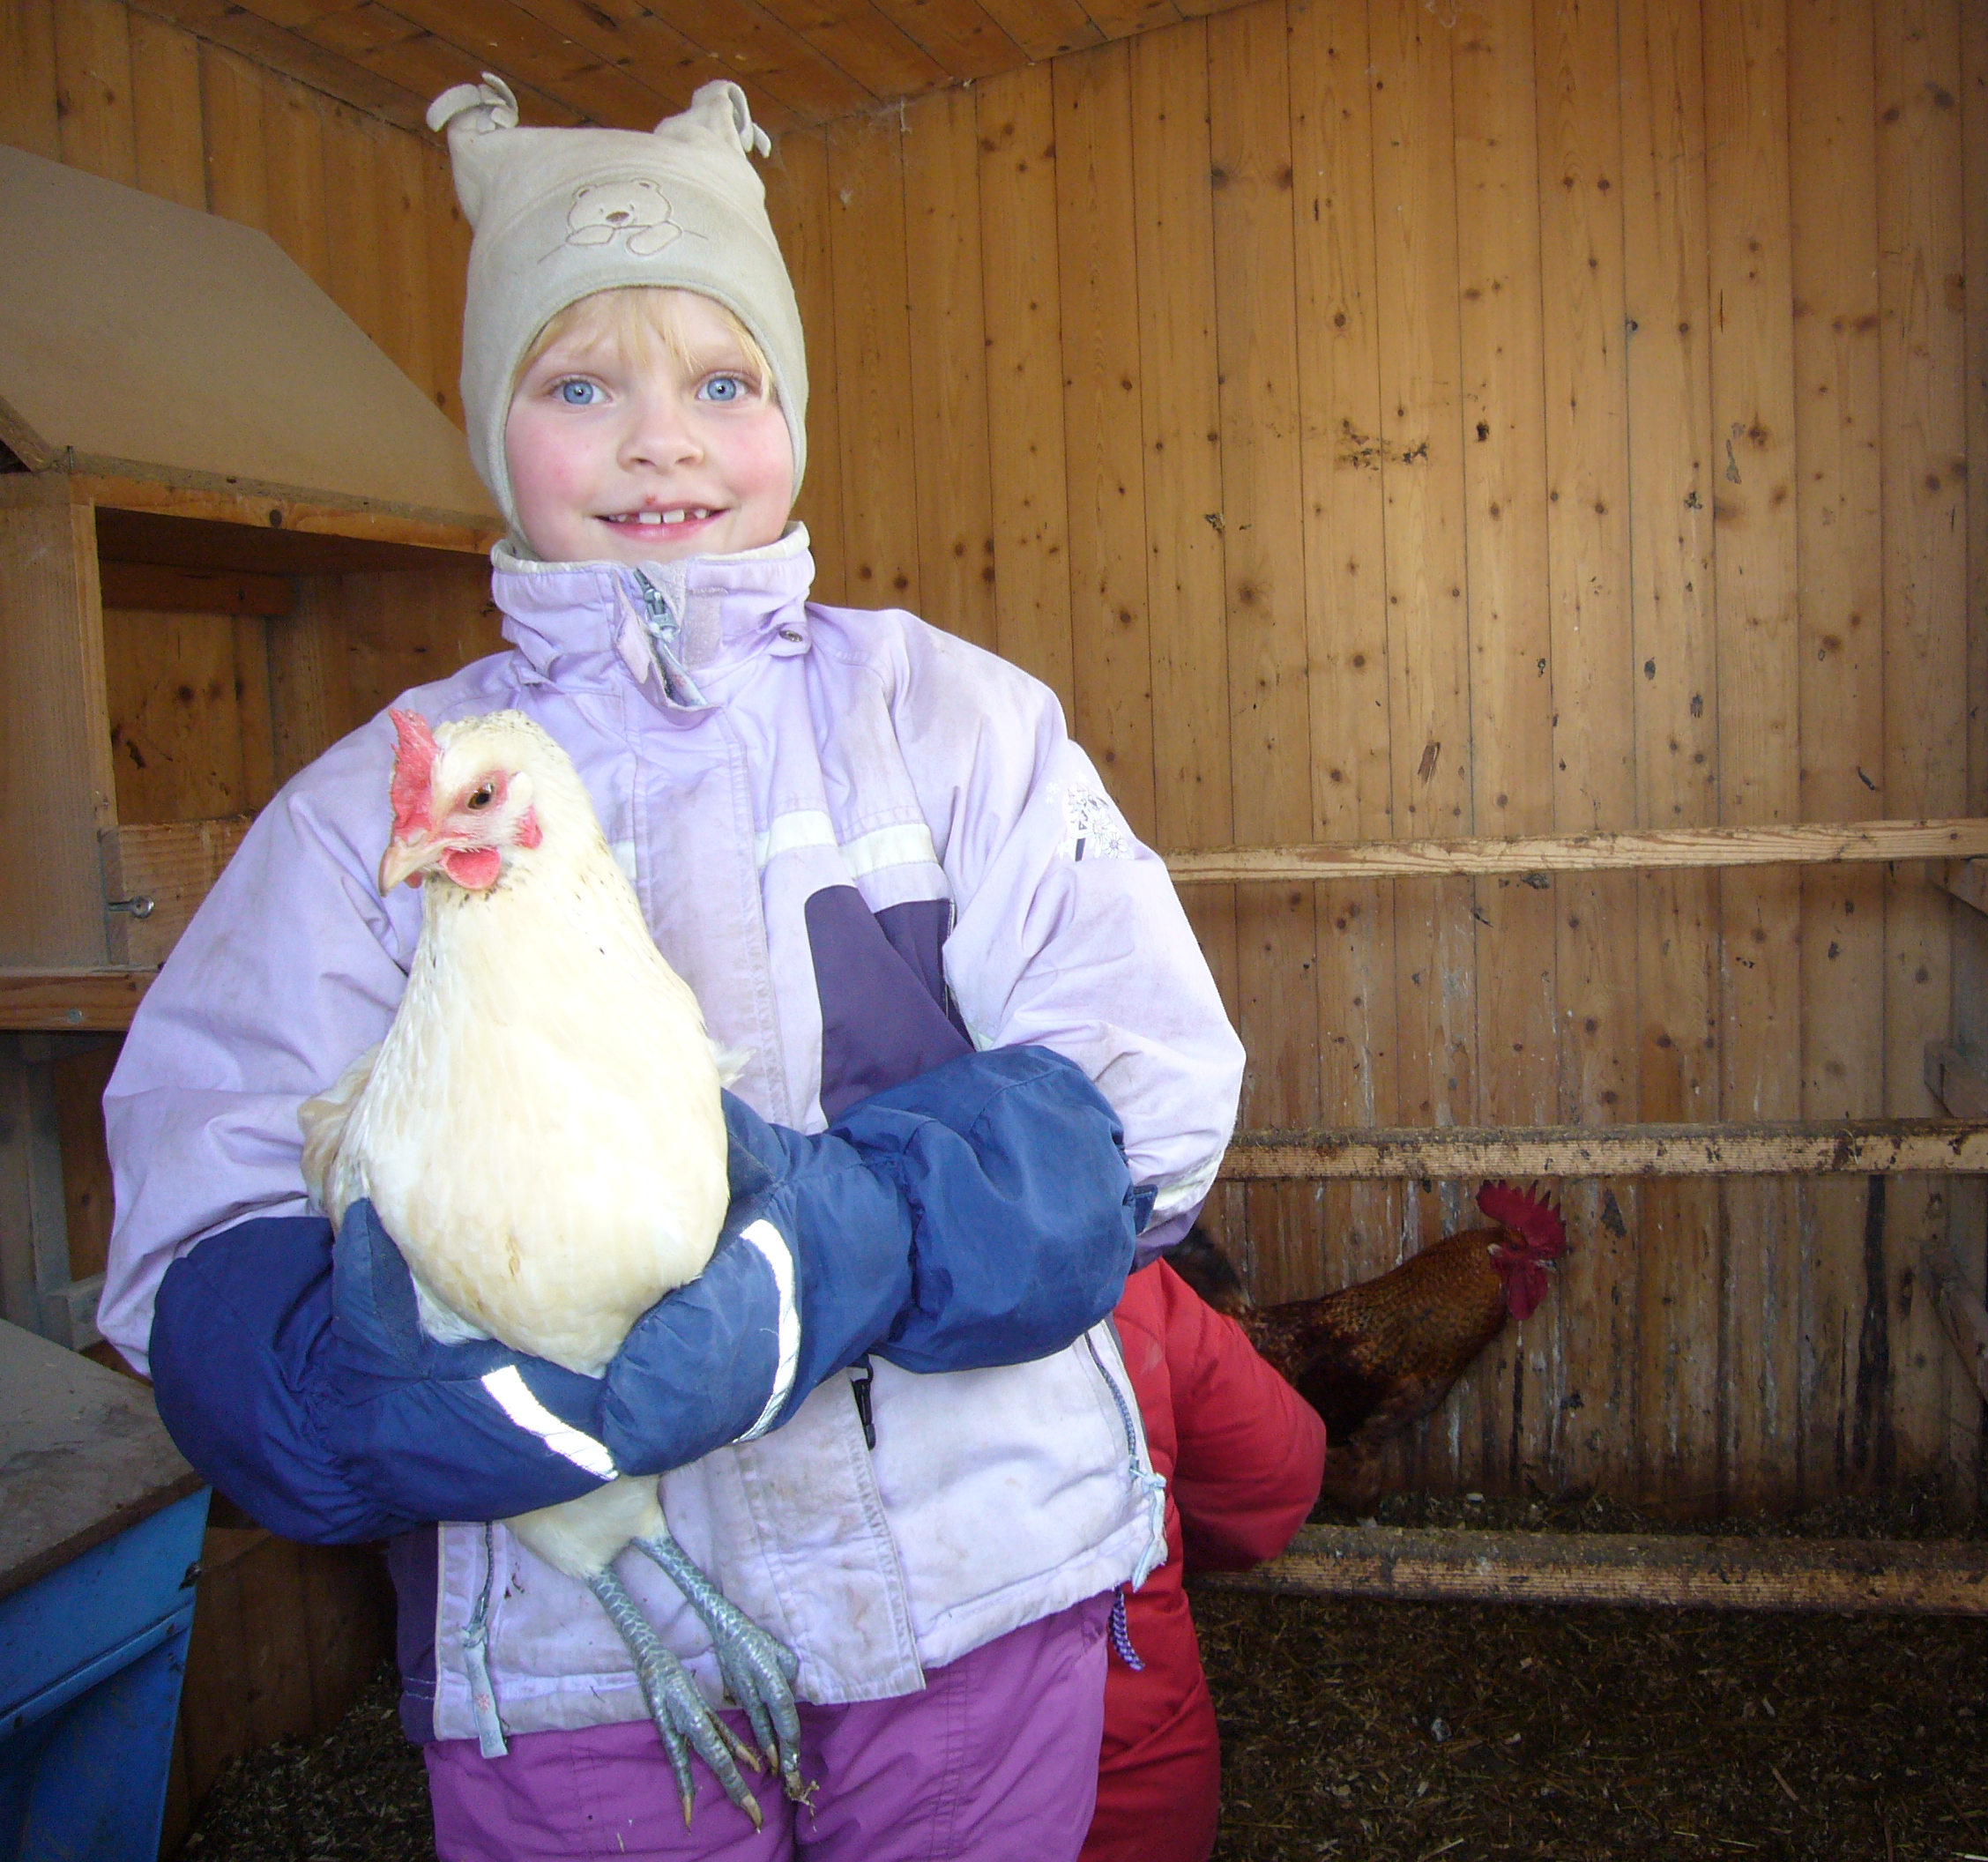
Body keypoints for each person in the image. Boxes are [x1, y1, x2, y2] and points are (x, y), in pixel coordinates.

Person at [97, 73, 1245, 1862]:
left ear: (790, 409)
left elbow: (1150, 1086)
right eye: (578, 388)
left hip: (970, 1594)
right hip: (567, 1658)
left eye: (724, 382)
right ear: (496, 434)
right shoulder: (374, 811)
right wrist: (332, 1392)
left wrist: (866, 1239)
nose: (663, 443)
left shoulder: (948, 723)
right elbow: (202, 1170)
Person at [1084, 1259, 1326, 1862]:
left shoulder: (818, 1336)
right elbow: (1276, 1475)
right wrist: (1168, 1538)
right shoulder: (1111, 1268)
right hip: (1133, 1791)